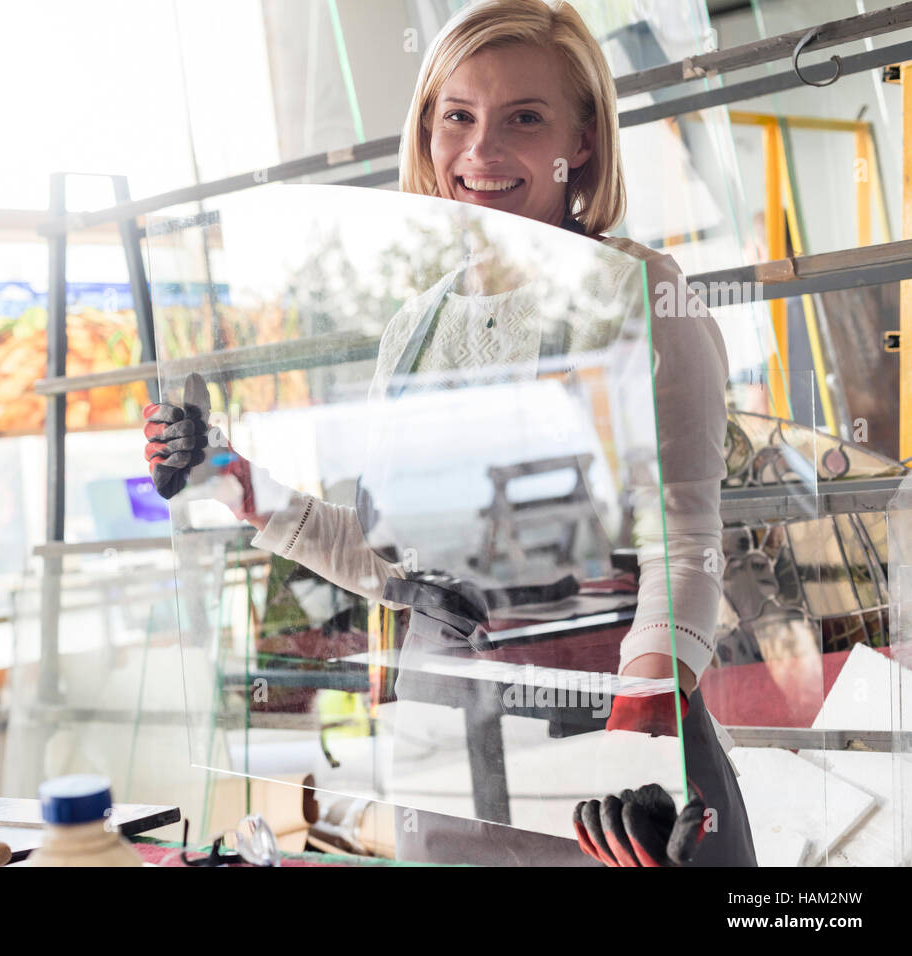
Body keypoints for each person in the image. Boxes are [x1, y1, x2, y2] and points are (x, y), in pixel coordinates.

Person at [144, 0, 755, 866]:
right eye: (457, 116)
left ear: (581, 139)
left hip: (608, 729)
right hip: (448, 744)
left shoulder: (642, 293)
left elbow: (684, 539)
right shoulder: (414, 328)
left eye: (524, 118)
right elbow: (397, 571)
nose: (481, 150)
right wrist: (231, 480)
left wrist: (642, 719)